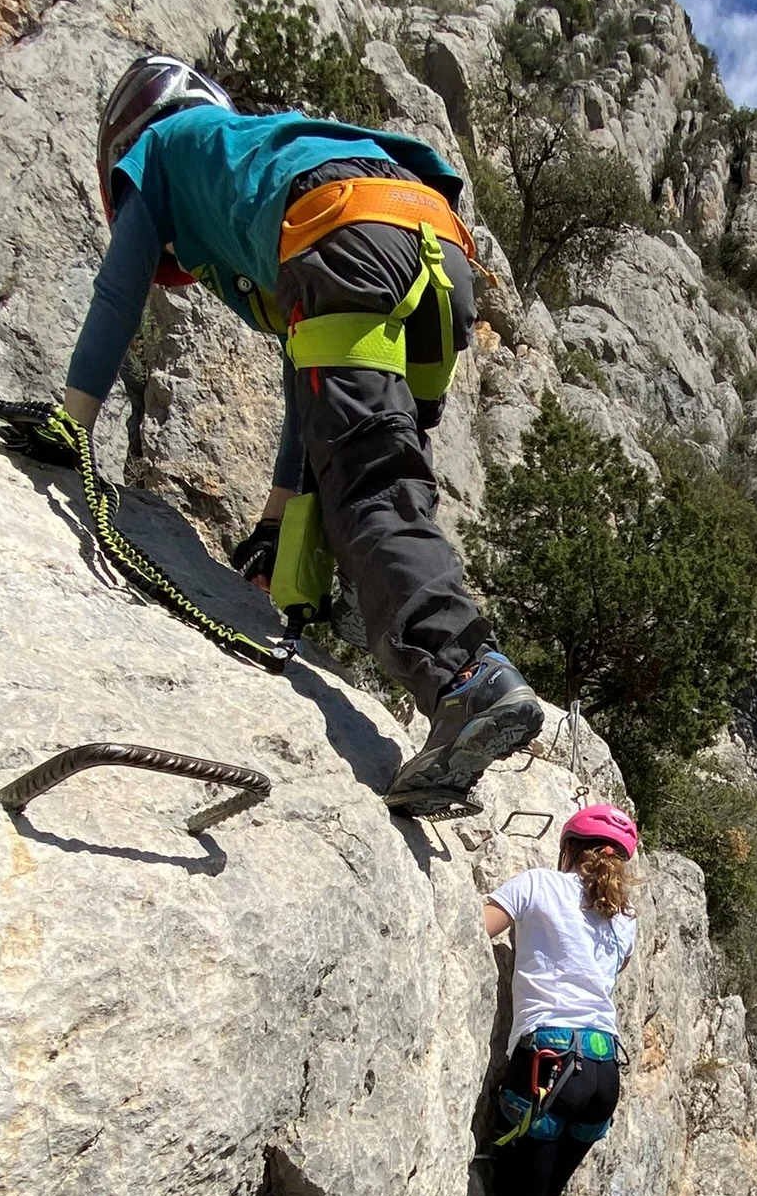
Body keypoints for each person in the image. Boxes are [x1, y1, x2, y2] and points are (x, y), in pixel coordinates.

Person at [62, 55, 542, 814]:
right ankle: (431, 688)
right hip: (440, 252)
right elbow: (305, 370)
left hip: (346, 228)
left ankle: (465, 679)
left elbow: (118, 289)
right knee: (379, 479)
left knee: (368, 484)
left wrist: (71, 426)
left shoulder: (159, 148)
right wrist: (277, 519)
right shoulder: (253, 150)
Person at [447, 803, 640, 1196]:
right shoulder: (624, 923)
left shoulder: (535, 884)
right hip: (603, 1073)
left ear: (568, 848)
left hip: (546, 1069)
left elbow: (476, 927)